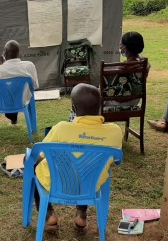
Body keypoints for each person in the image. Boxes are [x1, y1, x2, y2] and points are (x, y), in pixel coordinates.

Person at [34, 84, 123, 230]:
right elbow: (117, 161)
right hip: (91, 186)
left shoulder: (61, 128)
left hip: (58, 185)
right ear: (100, 106)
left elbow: (40, 155)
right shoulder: (114, 132)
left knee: (32, 163)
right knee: (88, 168)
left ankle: (48, 215)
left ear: (73, 109)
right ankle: (81, 214)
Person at [0, 40, 39, 126]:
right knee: (15, 91)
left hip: (1, 103)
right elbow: (35, 86)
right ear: (19, 52)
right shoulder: (29, 66)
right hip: (22, 101)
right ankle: (15, 121)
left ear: (4, 53)